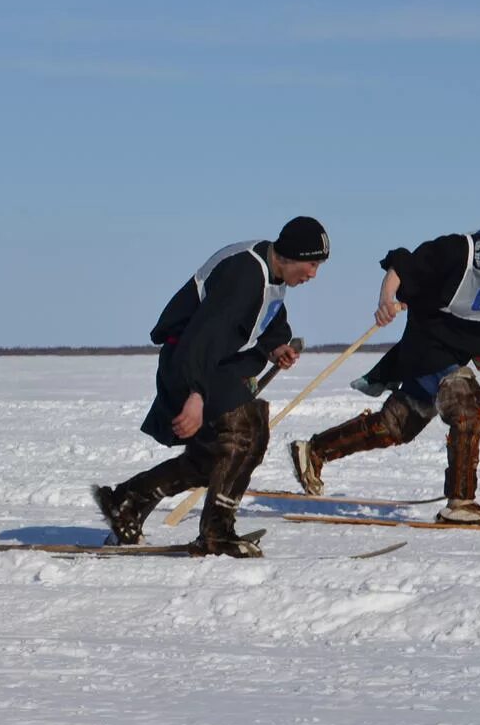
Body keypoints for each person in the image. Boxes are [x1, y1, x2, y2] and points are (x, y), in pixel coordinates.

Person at [289, 204, 480, 524]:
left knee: (395, 426)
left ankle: (313, 451)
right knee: (467, 407)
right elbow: (402, 267)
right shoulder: (456, 252)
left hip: (452, 353)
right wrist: (386, 301)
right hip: (426, 347)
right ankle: (460, 502)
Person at [93, 217, 330, 555]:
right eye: (312, 264)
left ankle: (128, 501)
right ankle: (217, 532)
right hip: (191, 362)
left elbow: (268, 315)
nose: (313, 274)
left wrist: (277, 345)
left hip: (216, 365)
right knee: (244, 434)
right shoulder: (244, 274)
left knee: (213, 458)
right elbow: (204, 336)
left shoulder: (270, 273)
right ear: (293, 254)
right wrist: (196, 393)